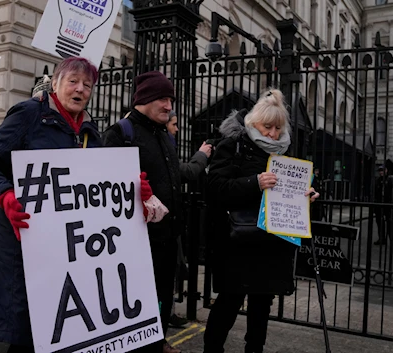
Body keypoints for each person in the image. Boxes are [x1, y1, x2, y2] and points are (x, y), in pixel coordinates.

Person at [0, 57, 155, 353]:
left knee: (61, 328)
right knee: (28, 330)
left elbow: (95, 188)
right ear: (55, 83)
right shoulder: (28, 114)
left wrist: (131, 190)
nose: (80, 89)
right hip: (23, 239)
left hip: (68, 249)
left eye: (87, 84)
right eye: (73, 81)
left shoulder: (90, 129)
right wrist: (5, 195)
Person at [203, 89, 319, 353]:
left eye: (278, 128)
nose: (273, 134)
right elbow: (215, 188)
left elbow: (297, 187)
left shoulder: (286, 152)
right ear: (254, 123)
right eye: (267, 127)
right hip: (238, 241)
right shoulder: (233, 145)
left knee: (262, 304)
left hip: (271, 241)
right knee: (229, 301)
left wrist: (309, 195)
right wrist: (253, 183)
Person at [104, 71, 182, 353]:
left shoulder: (164, 135)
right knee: (135, 298)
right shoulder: (120, 133)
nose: (169, 106)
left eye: (170, 99)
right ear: (145, 98)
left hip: (167, 237)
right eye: (163, 98)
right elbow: (103, 189)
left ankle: (158, 340)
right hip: (135, 241)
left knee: (162, 295)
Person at [166, 110, 211, 330]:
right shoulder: (159, 148)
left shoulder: (167, 147)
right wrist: (202, 154)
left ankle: (170, 312)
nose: (176, 129)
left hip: (172, 219)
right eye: (173, 124)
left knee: (174, 269)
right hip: (162, 223)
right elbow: (188, 172)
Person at [373, 165, 393, 246]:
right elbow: (375, 193)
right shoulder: (378, 180)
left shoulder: (390, 179)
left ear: (386, 170)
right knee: (380, 223)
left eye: (382, 170)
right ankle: (382, 239)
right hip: (379, 205)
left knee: (390, 223)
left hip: (388, 204)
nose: (381, 172)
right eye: (380, 170)